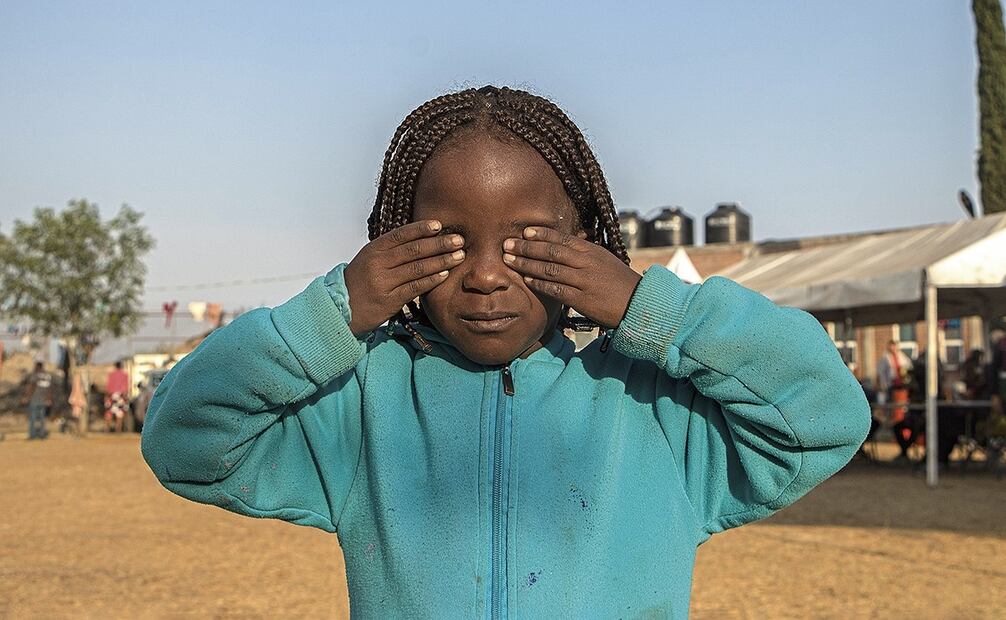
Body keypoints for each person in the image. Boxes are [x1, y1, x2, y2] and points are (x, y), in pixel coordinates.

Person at [141, 86, 871, 618]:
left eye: (525, 242)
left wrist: (654, 309)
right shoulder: (362, 406)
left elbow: (825, 413)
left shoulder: (655, 410)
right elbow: (185, 441)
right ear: (396, 240)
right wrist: (334, 315)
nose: (486, 274)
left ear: (582, 239)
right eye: (447, 243)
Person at [21, 361, 53, 440]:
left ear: (37, 367)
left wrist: (26, 397)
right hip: (44, 400)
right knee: (42, 418)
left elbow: (32, 387)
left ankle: (32, 435)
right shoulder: (47, 376)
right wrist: (49, 399)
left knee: (33, 418)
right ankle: (42, 434)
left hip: (35, 399)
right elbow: (49, 389)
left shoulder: (35, 375)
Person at [104, 361, 129, 433]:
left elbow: (108, 386)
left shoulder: (111, 375)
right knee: (120, 413)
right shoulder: (125, 375)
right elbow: (126, 387)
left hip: (111, 395)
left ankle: (107, 429)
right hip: (121, 395)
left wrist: (106, 397)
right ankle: (118, 429)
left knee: (109, 412)